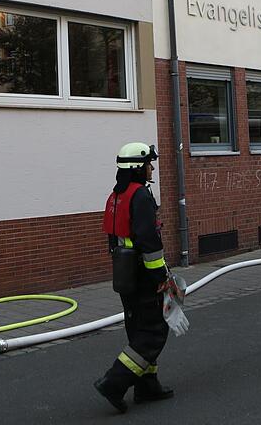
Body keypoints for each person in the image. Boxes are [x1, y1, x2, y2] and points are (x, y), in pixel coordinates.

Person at [94, 143, 176, 413]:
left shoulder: (116, 196)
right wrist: (161, 275)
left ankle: (147, 385)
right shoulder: (140, 196)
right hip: (144, 277)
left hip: (125, 275)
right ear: (137, 168)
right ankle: (113, 383)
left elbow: (114, 237)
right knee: (153, 332)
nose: (151, 168)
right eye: (148, 164)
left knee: (138, 329)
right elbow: (148, 241)